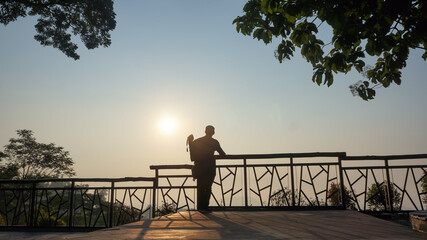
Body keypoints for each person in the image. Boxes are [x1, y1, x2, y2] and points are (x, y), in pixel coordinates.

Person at [187, 125, 226, 212]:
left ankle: (200, 207)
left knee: (201, 187)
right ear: (213, 132)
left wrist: (190, 141)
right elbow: (222, 154)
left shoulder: (198, 141)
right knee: (208, 187)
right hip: (210, 167)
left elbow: (193, 152)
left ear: (205, 131)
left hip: (200, 167)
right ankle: (205, 206)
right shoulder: (215, 142)